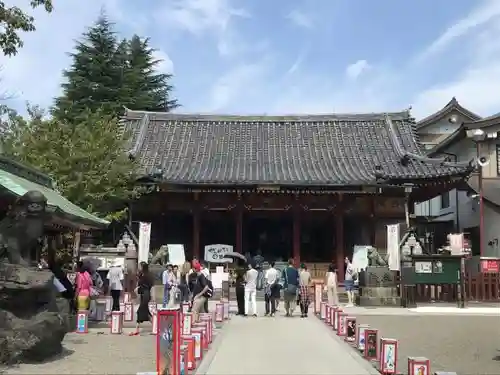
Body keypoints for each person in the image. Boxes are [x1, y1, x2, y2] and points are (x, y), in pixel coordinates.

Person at [130, 262, 154, 335]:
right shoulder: (142, 274)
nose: (139, 267)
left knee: (140, 311)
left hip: (146, 294)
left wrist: (139, 287)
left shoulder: (147, 275)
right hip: (143, 295)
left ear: (143, 267)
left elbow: (149, 285)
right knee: (147, 313)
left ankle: (136, 329)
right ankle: (156, 326)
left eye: (140, 266)